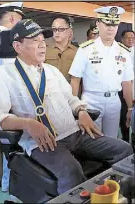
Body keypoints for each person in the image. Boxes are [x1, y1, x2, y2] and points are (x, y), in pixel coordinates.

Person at [0, 19, 133, 196]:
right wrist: (28, 123)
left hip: (75, 133)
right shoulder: (4, 75)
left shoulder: (51, 71)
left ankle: (116, 195)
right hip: (43, 143)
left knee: (124, 149)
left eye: (43, 40)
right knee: (71, 171)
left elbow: (71, 99)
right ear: (17, 46)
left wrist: (81, 111)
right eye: (34, 41)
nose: (42, 45)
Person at [69, 6, 134, 138]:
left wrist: (130, 108)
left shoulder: (124, 51)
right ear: (98, 24)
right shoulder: (85, 49)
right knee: (92, 140)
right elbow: (75, 80)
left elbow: (127, 82)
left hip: (114, 101)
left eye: (114, 24)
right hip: (91, 100)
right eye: (107, 24)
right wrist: (74, 107)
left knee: (111, 139)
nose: (110, 28)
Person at [0, 2, 25, 192]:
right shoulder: (7, 39)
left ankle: (6, 185)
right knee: (14, 149)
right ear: (13, 19)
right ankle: (11, 186)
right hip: (9, 105)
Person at [45, 15, 78, 82]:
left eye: (61, 29)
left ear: (69, 31)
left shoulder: (77, 52)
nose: (57, 32)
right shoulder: (45, 50)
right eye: (54, 29)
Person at [118, 30, 135, 142]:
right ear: (122, 39)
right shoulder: (118, 52)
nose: (130, 39)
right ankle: (125, 141)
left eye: (132, 37)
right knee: (124, 118)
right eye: (127, 37)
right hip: (122, 90)